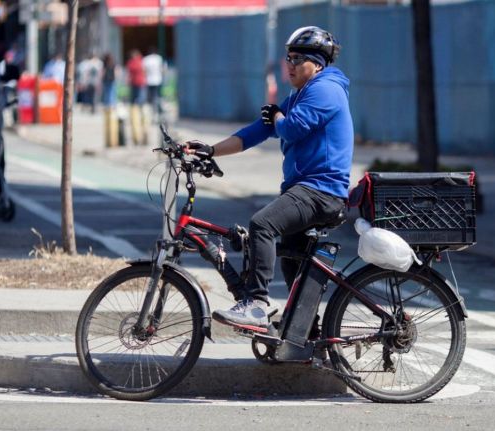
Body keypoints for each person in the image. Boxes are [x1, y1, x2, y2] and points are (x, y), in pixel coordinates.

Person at [185, 26, 352, 330]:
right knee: (290, 259)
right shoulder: (302, 93)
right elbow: (256, 131)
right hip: (307, 188)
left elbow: (289, 129)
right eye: (287, 57)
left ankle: (257, 304)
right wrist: (210, 150)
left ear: (316, 63)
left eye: (297, 58)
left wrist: (277, 116)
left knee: (262, 224)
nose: (289, 64)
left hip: (321, 191)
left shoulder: (326, 89)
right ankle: (305, 332)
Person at [142, 46, 164, 119]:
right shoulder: (158, 58)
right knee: (158, 97)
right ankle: (158, 112)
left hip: (149, 80)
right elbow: (162, 69)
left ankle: (153, 113)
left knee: (151, 98)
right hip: (158, 80)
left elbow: (144, 71)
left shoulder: (146, 59)